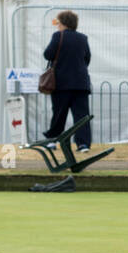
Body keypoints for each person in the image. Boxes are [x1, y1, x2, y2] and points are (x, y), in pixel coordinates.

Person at [43, 11, 93, 152]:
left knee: (59, 114)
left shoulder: (58, 36)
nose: (57, 26)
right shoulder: (83, 38)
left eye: (57, 23)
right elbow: (87, 58)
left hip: (61, 83)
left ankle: (53, 140)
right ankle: (83, 144)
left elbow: (48, 54)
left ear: (63, 23)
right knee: (81, 116)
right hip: (81, 84)